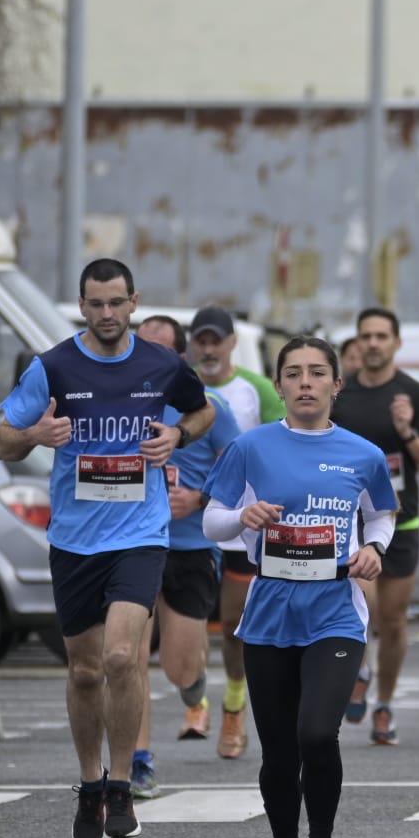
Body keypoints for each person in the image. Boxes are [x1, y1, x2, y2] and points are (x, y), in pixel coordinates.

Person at [0, 258, 215, 838]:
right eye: (96, 304)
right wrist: (36, 436)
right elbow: (3, 440)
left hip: (141, 533)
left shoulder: (162, 363)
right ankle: (90, 783)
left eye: (117, 303)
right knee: (86, 669)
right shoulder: (54, 366)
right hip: (73, 540)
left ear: (134, 301)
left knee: (122, 656)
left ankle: (121, 783)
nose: (108, 314)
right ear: (82, 304)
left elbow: (203, 409)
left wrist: (179, 436)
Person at [202, 335, 397, 838]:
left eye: (317, 373)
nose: (305, 382)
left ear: (337, 384)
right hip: (269, 615)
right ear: (280, 385)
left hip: (335, 611)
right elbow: (213, 521)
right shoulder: (251, 447)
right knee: (280, 754)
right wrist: (243, 517)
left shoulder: (363, 453)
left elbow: (382, 514)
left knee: (319, 734)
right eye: (293, 373)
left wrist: (373, 550)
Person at [128, 316, 243, 797]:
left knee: (181, 666)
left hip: (191, 546)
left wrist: (200, 497)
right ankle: (137, 761)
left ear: (179, 359)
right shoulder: (119, 402)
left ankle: (194, 692)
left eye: (159, 352)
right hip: (130, 541)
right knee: (129, 655)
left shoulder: (208, 406)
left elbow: (239, 460)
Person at [330, 307, 419, 746]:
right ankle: (359, 668)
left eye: (382, 336)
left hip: (402, 518)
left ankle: (385, 704)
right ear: (357, 344)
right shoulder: (343, 394)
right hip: (352, 522)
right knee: (364, 609)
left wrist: (407, 431)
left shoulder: (412, 393)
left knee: (394, 621)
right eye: (366, 336)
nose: (373, 344)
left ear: (396, 343)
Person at [189, 306, 285, 757]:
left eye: (216, 340)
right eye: (201, 340)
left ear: (230, 344)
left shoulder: (256, 388)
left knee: (232, 624)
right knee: (183, 624)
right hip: (182, 523)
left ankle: (232, 706)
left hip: (236, 525)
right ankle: (196, 702)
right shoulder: (180, 386)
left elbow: (280, 446)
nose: (209, 349)